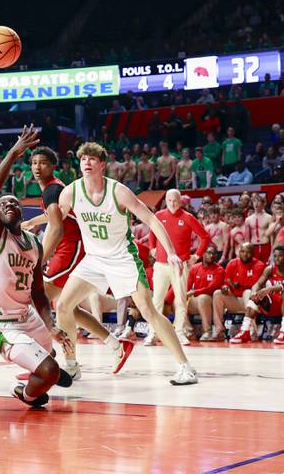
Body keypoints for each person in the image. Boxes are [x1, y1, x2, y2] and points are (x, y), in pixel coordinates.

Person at [44, 142, 198, 385]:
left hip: (123, 258)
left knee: (148, 311)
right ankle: (72, 365)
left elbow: (151, 219)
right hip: (94, 259)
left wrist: (170, 252)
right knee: (63, 305)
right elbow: (54, 221)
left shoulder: (118, 191)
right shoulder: (71, 192)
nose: (87, 162)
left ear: (102, 164)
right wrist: (28, 226)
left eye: (92, 159)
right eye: (83, 159)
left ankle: (185, 366)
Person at [0, 126, 74, 407]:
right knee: (49, 372)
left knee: (51, 361)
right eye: (3, 204)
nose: (8, 204)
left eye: (14, 203)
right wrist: (13, 153)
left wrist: (51, 325)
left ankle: (42, 370)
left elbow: (38, 293)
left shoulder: (34, 242)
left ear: (23, 211)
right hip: (2, 324)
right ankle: (26, 393)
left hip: (29, 317)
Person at [24, 144, 119, 377]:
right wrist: (33, 223)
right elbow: (56, 216)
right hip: (71, 245)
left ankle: (48, 360)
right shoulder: (52, 189)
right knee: (66, 307)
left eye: (43, 163)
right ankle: (116, 344)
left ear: (53, 167)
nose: (37, 167)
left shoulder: (52, 190)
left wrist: (39, 260)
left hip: (73, 245)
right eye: (34, 163)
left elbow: (56, 228)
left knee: (40, 298)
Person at [146, 189, 211, 346]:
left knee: (181, 300)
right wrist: (152, 247)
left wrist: (196, 256)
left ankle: (180, 332)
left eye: (175, 200)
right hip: (161, 264)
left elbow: (205, 237)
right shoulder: (159, 216)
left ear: (180, 201)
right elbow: (152, 232)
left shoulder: (188, 218)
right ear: (166, 201)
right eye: (169, 201)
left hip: (180, 265)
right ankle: (153, 332)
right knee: (156, 300)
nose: (173, 204)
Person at [230, 244, 284, 345]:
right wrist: (254, 293)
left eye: (280, 256)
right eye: (275, 256)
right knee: (255, 296)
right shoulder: (269, 269)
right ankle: (245, 330)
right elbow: (258, 284)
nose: (277, 259)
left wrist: (270, 289)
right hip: (273, 305)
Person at [186, 246, 225, 339]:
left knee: (203, 297)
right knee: (178, 300)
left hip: (211, 301)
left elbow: (212, 288)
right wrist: (186, 294)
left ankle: (207, 331)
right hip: (196, 300)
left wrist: (194, 292)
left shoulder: (219, 270)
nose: (211, 255)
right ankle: (189, 331)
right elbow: (187, 286)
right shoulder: (194, 268)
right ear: (203, 253)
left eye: (214, 254)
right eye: (209, 253)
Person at [245, 196, 273, 264]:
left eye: (258, 201)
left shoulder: (269, 217)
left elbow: (272, 236)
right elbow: (247, 237)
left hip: (265, 245)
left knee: (266, 267)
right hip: (254, 246)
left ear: (263, 204)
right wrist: (247, 250)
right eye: (254, 201)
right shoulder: (248, 219)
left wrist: (272, 251)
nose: (256, 203)